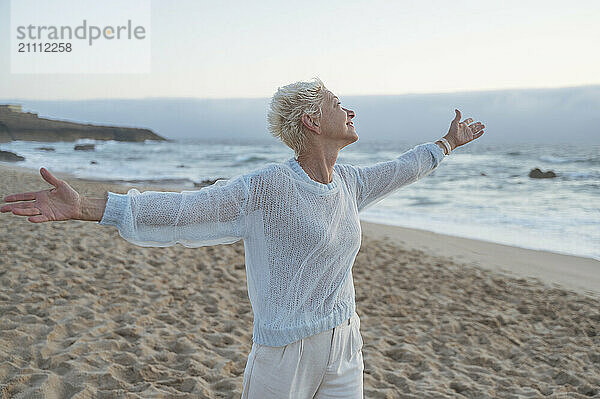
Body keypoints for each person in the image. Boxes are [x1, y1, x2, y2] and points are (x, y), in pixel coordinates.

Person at [1, 77, 485, 398]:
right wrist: (86, 206)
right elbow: (183, 211)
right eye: (339, 104)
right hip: (284, 353)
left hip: (345, 342)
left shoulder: (349, 184)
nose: (350, 109)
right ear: (313, 121)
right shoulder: (267, 188)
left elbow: (402, 170)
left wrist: (446, 144)